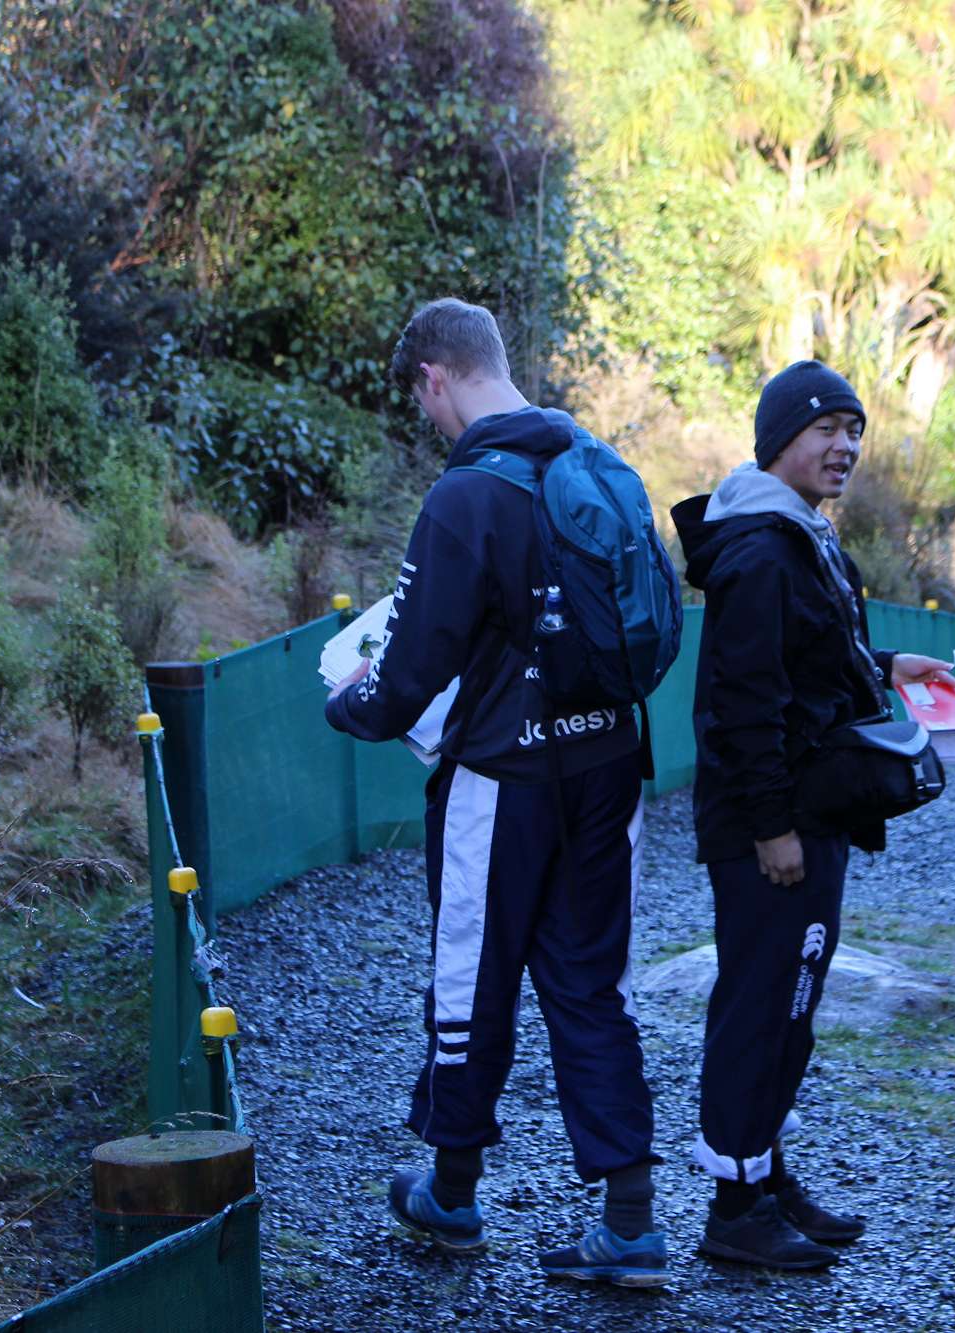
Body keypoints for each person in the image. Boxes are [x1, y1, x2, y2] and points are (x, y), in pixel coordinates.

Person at [323, 298, 667, 1287]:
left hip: (502, 779)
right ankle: (631, 1223)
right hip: (609, 763)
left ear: (434, 376)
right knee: (594, 983)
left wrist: (350, 703)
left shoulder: (465, 495)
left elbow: (409, 670)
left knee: (471, 977)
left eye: (422, 400)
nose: (430, 419)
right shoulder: (595, 464)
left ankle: (452, 1191)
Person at [670, 360, 955, 1272]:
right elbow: (741, 705)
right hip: (774, 827)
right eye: (825, 427)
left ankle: (765, 1173)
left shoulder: (798, 533)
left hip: (807, 812)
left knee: (790, 1003)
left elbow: (811, 653)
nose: (845, 446)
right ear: (778, 440)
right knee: (761, 1005)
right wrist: (771, 828)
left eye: (854, 429)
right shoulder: (760, 551)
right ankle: (733, 1208)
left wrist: (888, 663)